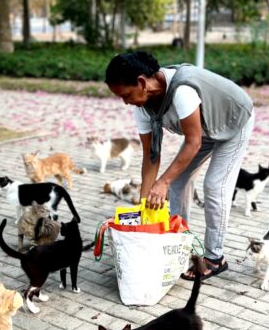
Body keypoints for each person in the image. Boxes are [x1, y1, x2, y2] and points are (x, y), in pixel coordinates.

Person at [105, 51, 254, 281]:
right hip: (204, 130)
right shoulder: (143, 108)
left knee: (214, 186)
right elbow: (151, 156)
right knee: (179, 183)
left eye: (126, 95)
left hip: (234, 121)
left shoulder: (182, 91)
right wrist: (145, 208)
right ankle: (178, 244)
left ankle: (216, 258)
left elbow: (193, 142)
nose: (125, 102)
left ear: (142, 82)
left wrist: (163, 181)